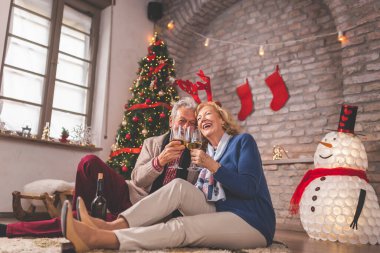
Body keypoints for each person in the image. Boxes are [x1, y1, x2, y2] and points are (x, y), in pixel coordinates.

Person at [60, 101, 276, 252]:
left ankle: (102, 238)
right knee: (179, 186)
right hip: (219, 208)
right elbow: (190, 191)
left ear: (222, 119)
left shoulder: (242, 142)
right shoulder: (206, 152)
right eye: (198, 119)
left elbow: (248, 188)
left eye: (206, 115)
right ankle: (111, 225)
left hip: (251, 219)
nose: (200, 121)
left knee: (183, 227)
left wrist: (210, 165)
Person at [0, 97, 198, 238]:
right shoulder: (152, 143)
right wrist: (160, 161)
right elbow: (137, 178)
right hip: (130, 196)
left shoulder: (197, 153)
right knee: (89, 161)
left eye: (192, 124)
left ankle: (11, 230)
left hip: (152, 213)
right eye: (182, 121)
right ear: (171, 121)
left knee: (76, 222)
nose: (186, 128)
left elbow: (190, 195)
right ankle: (82, 213)